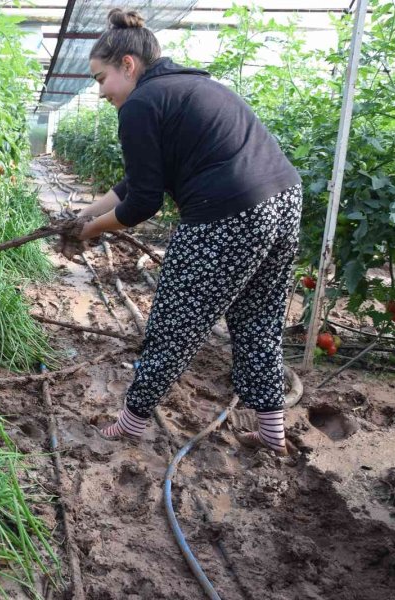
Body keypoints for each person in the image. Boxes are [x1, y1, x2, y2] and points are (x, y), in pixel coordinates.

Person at [65, 8, 302, 455]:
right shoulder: (189, 86)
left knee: (175, 320)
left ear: (128, 65)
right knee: (258, 318)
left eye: (100, 79)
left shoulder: (139, 104)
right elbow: (136, 183)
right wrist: (85, 214)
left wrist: (90, 231)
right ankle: (272, 430)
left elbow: (143, 204)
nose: (100, 92)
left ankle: (132, 421)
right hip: (284, 200)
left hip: (228, 215)